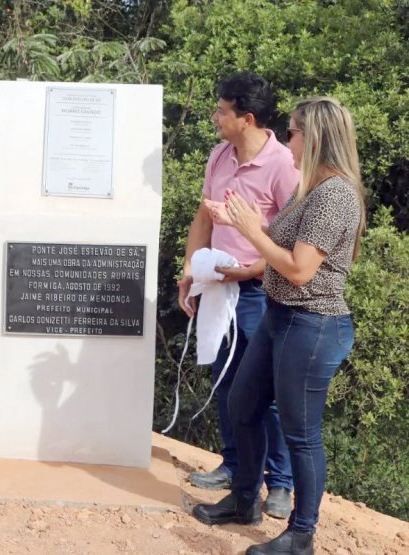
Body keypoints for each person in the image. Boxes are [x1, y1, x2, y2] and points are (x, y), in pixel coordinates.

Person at [193, 97, 365, 555]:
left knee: (300, 434)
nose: (286, 139)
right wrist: (236, 221)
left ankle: (301, 534)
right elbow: (281, 247)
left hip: (312, 326)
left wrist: (252, 232)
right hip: (279, 316)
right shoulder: (310, 187)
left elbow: (300, 269)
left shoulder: (336, 195)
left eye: (292, 132)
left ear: (316, 137)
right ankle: (245, 499)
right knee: (242, 405)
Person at [178, 72, 296, 517]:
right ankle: (234, 464)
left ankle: (280, 484)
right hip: (218, 285)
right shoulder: (219, 155)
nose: (214, 117)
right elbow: (203, 218)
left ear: (246, 118)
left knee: (265, 390)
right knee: (227, 383)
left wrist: (252, 268)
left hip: (260, 291)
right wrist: (190, 271)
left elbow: (294, 240)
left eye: (221, 111)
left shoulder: (284, 165)